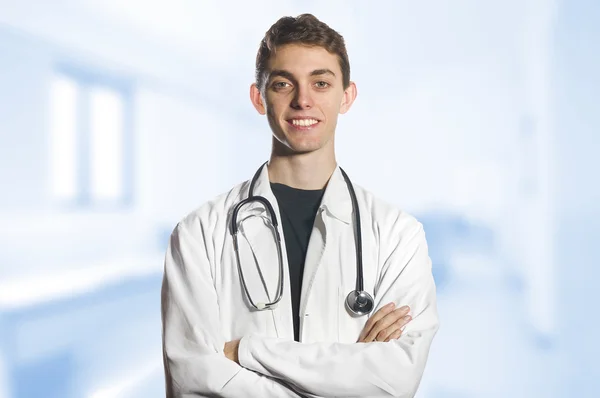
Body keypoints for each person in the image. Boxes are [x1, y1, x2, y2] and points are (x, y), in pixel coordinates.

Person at [161, 13, 439, 398]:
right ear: (259, 97)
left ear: (347, 96)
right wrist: (350, 369)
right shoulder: (199, 234)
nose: (303, 100)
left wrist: (246, 351)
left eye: (321, 83)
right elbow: (192, 381)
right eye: (283, 84)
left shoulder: (397, 235)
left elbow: (394, 381)